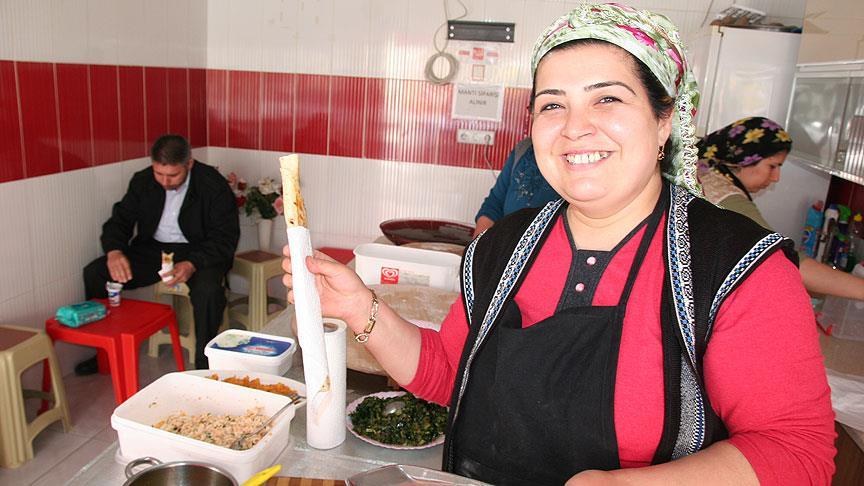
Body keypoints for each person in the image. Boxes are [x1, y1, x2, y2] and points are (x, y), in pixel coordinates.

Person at [283, 4, 835, 485]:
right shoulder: (503, 246)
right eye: (552, 105)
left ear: (665, 120)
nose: (574, 127)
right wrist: (359, 307)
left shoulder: (734, 265)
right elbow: (452, 376)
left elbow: (797, 453)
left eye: (607, 99)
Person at [79, 134, 239, 372]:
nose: (164, 181)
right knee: (95, 273)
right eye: (159, 173)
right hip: (154, 248)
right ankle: (104, 355)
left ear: (189, 164)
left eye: (172, 175)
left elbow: (225, 238)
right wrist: (114, 251)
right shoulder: (143, 180)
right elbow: (120, 221)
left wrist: (192, 263)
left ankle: (204, 363)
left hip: (200, 250)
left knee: (208, 291)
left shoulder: (212, 184)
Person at [698, 116, 864, 301]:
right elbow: (781, 259)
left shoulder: (705, 175)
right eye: (772, 166)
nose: (776, 177)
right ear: (743, 158)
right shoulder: (725, 197)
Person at [473, 137, 559, 237]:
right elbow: (494, 204)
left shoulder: (569, 162)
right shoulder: (523, 149)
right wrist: (478, 243)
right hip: (505, 242)